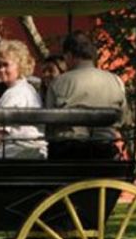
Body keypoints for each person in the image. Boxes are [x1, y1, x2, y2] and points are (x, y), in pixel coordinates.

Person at [45, 31, 127, 159]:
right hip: (105, 151)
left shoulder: (59, 83)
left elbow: (49, 124)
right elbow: (122, 119)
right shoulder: (116, 81)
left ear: (69, 55)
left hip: (68, 153)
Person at [0, 40, 47, 159]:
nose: (1, 70)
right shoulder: (26, 89)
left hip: (14, 155)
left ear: (20, 65)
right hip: (23, 153)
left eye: (6, 65)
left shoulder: (16, 94)